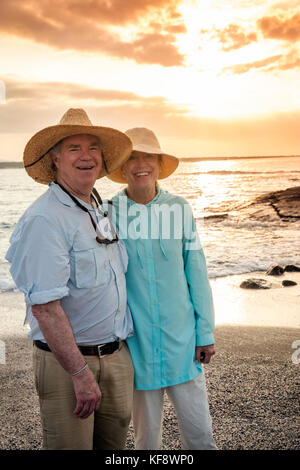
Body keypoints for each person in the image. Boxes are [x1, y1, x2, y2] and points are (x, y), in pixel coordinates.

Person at [5, 108, 135, 450]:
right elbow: (45, 308)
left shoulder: (97, 207)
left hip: (116, 354)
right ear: (55, 159)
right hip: (70, 365)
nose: (87, 156)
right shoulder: (45, 219)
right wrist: (79, 373)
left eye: (93, 147)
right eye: (74, 148)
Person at [107, 127, 217, 450]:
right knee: (145, 443)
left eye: (148, 157)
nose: (141, 164)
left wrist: (205, 332)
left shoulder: (180, 209)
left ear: (157, 163)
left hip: (182, 345)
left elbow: (197, 272)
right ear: (123, 167)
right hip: (137, 350)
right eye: (133, 158)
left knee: (200, 437)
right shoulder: (109, 213)